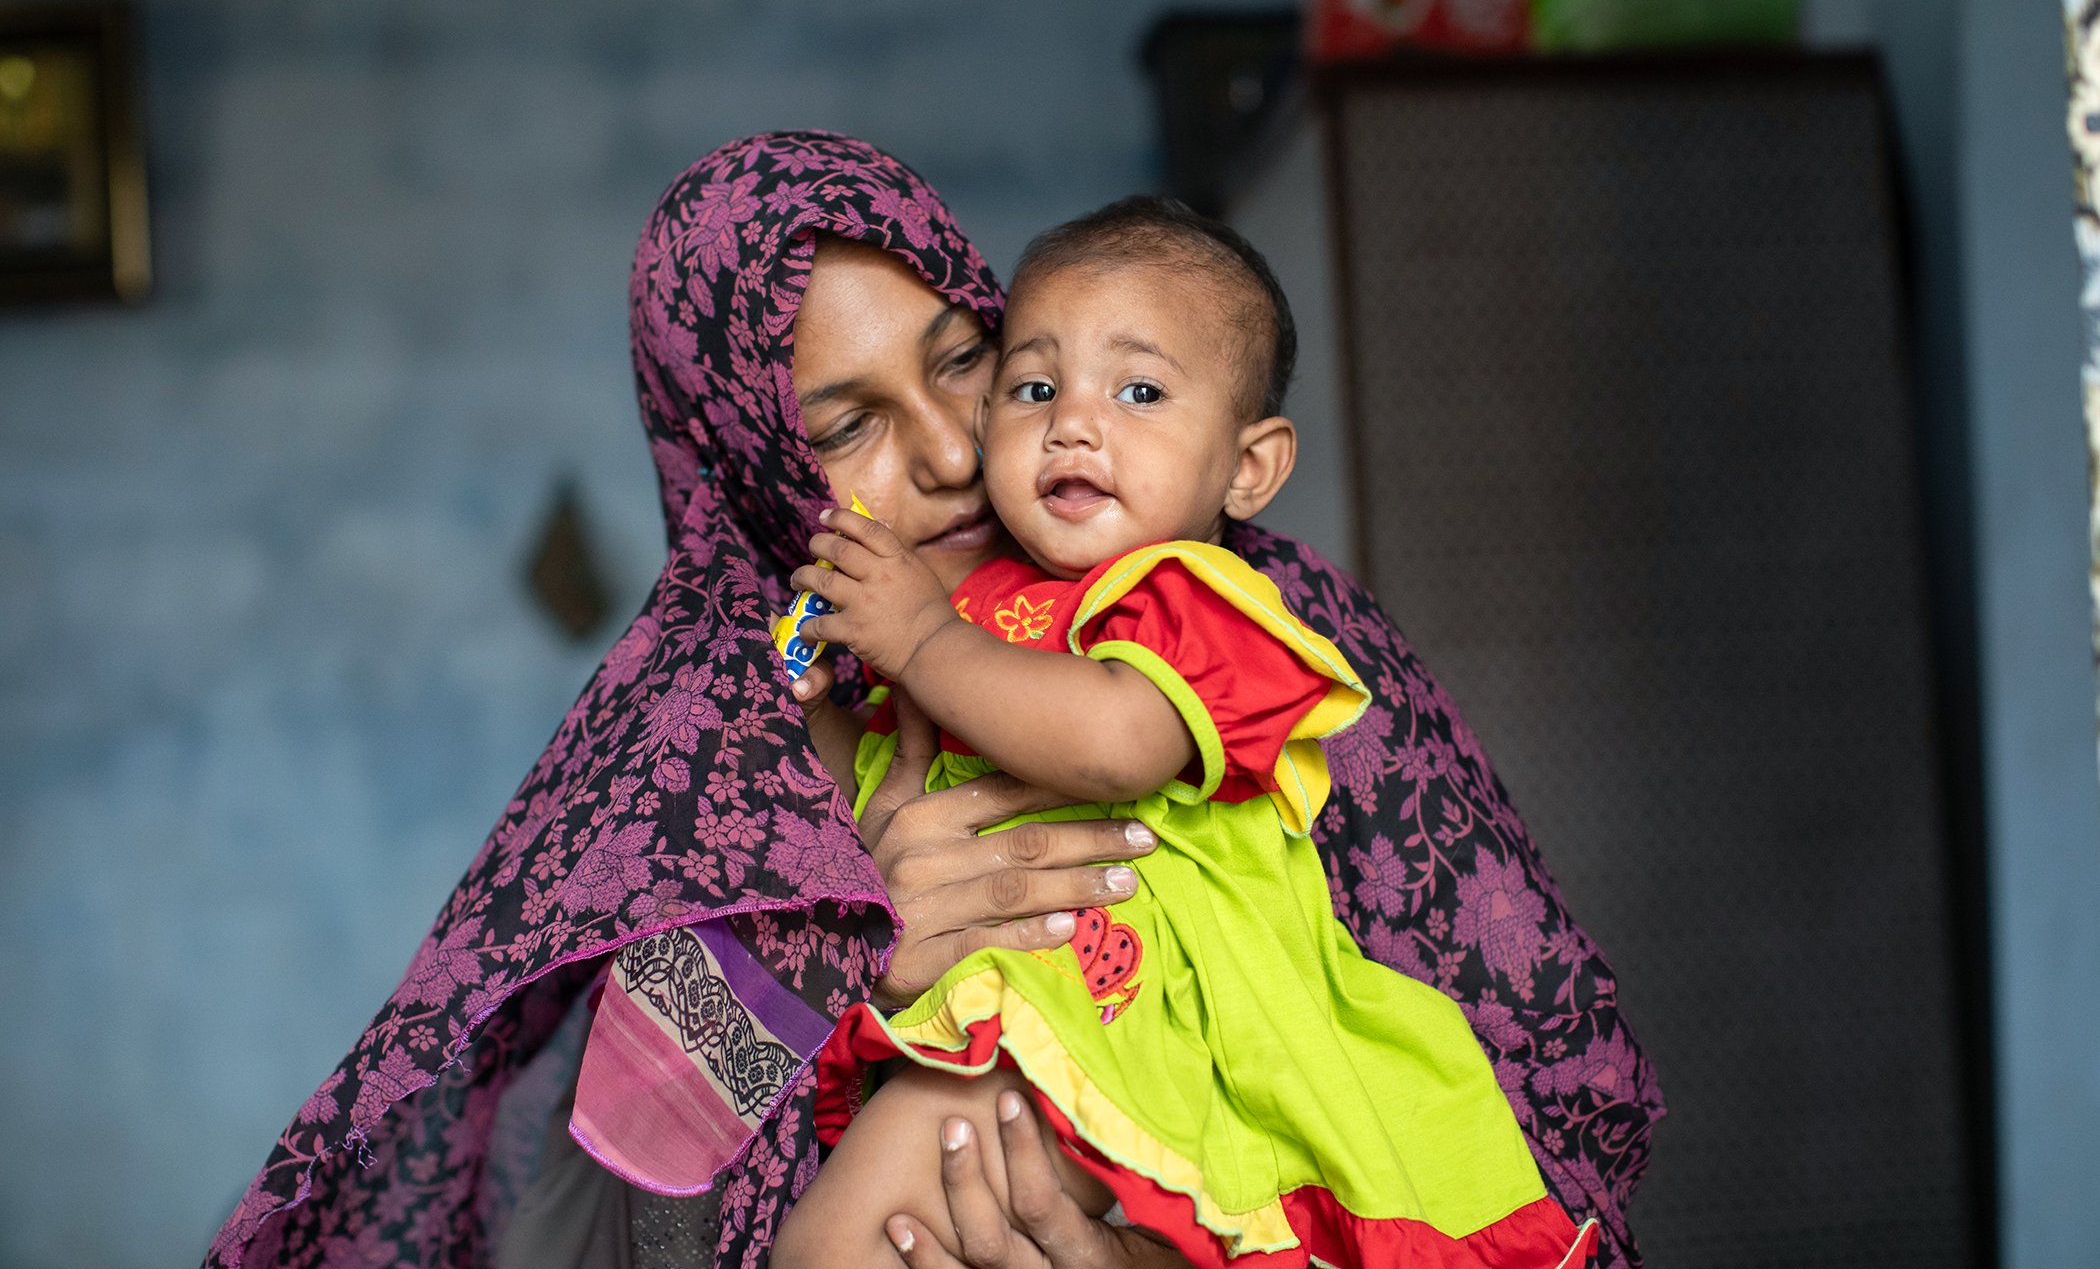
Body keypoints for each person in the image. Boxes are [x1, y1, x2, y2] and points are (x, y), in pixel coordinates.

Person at [207, 133, 1661, 1269]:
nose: (955, 455)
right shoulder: (714, 772)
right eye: (845, 427)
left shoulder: (1262, 618)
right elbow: (625, 1211)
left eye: (965, 362)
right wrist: (833, 968)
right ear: (757, 472)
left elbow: (1517, 1078)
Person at [773, 197, 1599, 1269]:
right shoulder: (962, 608)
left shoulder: (1196, 595)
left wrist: (923, 641)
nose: (1072, 423)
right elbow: (878, 781)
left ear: (1248, 468)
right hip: (1015, 1013)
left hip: (1162, 1015)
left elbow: (1119, 742)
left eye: (1140, 391)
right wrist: (808, 715)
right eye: (1032, 387)